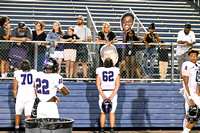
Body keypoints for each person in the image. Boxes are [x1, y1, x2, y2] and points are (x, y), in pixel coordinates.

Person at [96, 57, 120, 133]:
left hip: (103, 91)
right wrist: (112, 95)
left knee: (103, 112)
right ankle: (112, 130)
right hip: (112, 92)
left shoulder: (100, 70)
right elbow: (117, 84)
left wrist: (102, 94)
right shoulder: (116, 70)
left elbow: (98, 84)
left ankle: (102, 130)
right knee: (112, 112)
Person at [13, 60, 37, 131]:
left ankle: (17, 129)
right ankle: (28, 130)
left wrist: (15, 96)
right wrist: (37, 96)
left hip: (20, 96)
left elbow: (15, 87)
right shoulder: (34, 72)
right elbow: (35, 86)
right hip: (31, 96)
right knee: (28, 114)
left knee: (18, 113)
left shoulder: (17, 73)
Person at [180, 49, 200, 133]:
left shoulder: (197, 66)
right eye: (191, 56)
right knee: (196, 113)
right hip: (189, 91)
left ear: (197, 57)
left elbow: (196, 82)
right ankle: (185, 131)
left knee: (189, 113)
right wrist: (190, 97)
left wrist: (198, 94)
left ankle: (185, 130)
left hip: (193, 91)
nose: (193, 57)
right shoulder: (187, 64)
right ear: (189, 57)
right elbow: (185, 82)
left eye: (195, 55)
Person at [119, 12, 135, 77]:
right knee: (123, 63)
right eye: (124, 21)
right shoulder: (124, 32)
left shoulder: (131, 32)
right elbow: (124, 41)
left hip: (130, 49)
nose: (127, 24)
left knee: (131, 64)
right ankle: (119, 75)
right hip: (124, 48)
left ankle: (130, 77)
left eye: (129, 21)